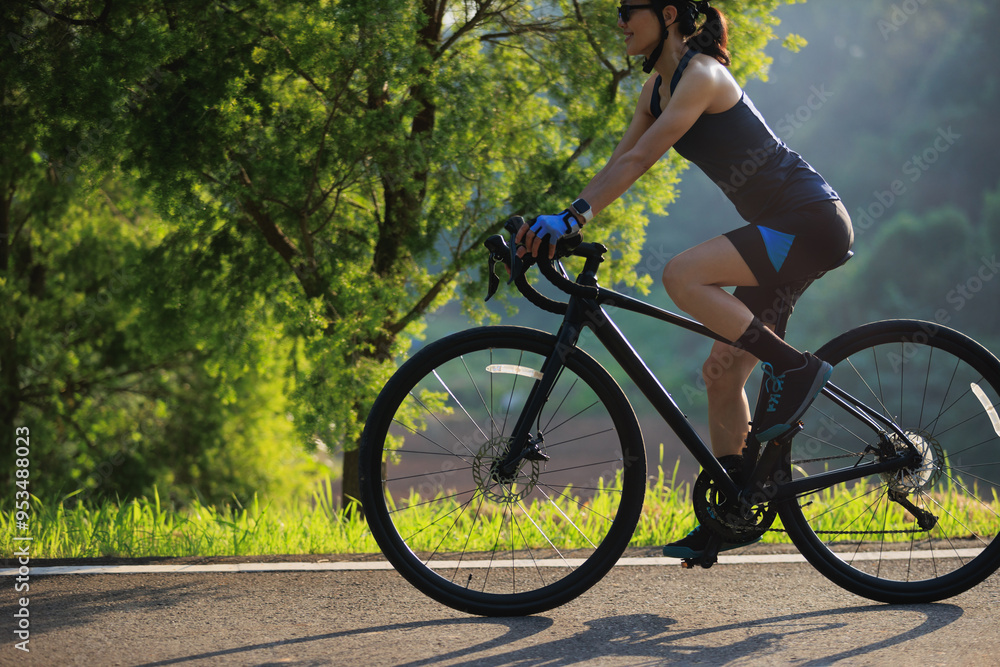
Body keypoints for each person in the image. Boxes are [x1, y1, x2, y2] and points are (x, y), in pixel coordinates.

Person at [515, 0, 854, 558]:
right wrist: (560, 222)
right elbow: (619, 161)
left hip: (807, 219)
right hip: (780, 229)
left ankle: (795, 368)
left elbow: (644, 159)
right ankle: (735, 510)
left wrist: (572, 217)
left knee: (682, 274)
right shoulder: (654, 91)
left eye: (629, 10)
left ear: (668, 14)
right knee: (721, 376)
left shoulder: (702, 76)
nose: (619, 21)